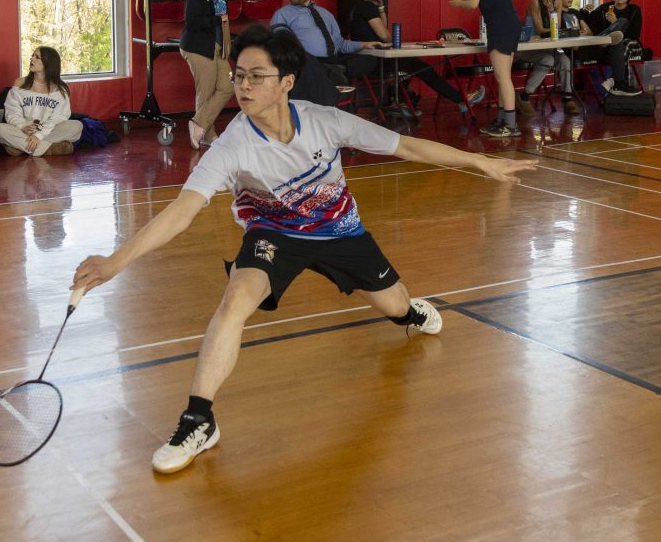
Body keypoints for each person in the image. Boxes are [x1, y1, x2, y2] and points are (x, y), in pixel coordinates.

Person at [71, 25, 538, 475]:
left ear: (286, 82)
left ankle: (409, 315)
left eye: (257, 76)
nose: (244, 86)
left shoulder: (324, 121)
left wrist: (481, 162)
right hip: (274, 233)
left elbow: (406, 148)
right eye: (239, 76)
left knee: (396, 305)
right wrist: (116, 262)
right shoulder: (233, 144)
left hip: (342, 232)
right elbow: (183, 211)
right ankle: (199, 420)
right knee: (235, 301)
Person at [349, 0, 485, 117]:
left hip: (366, 59)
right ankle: (461, 100)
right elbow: (385, 35)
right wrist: (388, 36)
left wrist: (381, 7)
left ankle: (403, 103)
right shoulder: (366, 7)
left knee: (415, 69)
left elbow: (383, 31)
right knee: (425, 69)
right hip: (379, 60)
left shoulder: (356, 7)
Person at [449, 0, 523, 138]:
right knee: (502, 76)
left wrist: (459, 2)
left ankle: (510, 123)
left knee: (503, 77)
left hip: (500, 27)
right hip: (510, 24)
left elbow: (473, 5)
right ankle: (502, 120)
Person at [270, 0, 381, 83]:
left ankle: (335, 71)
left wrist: (364, 44)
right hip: (308, 63)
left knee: (370, 60)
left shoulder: (326, 14)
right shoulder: (282, 14)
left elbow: (339, 44)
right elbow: (282, 46)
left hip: (334, 60)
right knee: (309, 65)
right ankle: (332, 73)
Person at [180, 0, 234, 150]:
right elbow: (192, 23)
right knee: (206, 92)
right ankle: (208, 134)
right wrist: (218, 20)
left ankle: (199, 124)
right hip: (198, 48)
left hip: (217, 47)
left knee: (228, 86)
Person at [0, 46, 82, 157]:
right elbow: (12, 112)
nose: (31, 59)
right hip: (24, 130)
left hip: (48, 130)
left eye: (37, 57)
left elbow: (58, 118)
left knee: (77, 126)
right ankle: (49, 149)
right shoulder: (20, 83)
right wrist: (23, 126)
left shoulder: (60, 89)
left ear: (48, 63)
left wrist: (39, 136)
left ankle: (19, 147)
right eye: (32, 56)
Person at [515, 0, 577, 116]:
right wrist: (559, 28)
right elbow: (542, 30)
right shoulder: (534, 3)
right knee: (548, 60)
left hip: (545, 46)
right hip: (527, 46)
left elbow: (557, 27)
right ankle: (524, 96)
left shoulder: (558, 2)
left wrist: (552, 11)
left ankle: (567, 98)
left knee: (565, 60)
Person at [582, 0, 643, 97]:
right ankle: (619, 84)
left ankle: (614, 79)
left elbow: (635, 34)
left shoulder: (634, 10)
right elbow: (589, 22)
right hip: (608, 47)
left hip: (631, 44)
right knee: (617, 42)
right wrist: (585, 11)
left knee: (622, 26)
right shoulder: (605, 8)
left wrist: (615, 22)